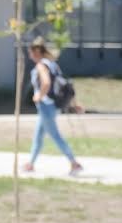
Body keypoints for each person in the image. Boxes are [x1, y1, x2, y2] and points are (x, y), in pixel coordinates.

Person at [22, 37, 83, 175]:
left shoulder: (41, 66)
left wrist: (38, 96)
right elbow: (64, 84)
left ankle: (74, 163)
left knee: (55, 135)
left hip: (46, 106)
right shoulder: (52, 64)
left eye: (30, 53)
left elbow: (46, 83)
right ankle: (30, 164)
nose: (30, 56)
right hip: (53, 106)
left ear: (37, 52)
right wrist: (74, 103)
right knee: (38, 135)